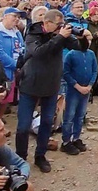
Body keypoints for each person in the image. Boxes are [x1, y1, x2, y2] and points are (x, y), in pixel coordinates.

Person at [16, 9, 79, 173]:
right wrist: (60, 37)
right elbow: (38, 53)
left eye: (62, 24)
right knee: (23, 126)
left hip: (51, 86)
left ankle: (40, 156)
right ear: (47, 23)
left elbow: (78, 46)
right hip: (30, 85)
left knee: (46, 123)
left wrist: (83, 36)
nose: (61, 27)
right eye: (58, 24)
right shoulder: (33, 33)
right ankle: (20, 158)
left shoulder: (59, 34)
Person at [61, 32, 97, 155]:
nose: (89, 42)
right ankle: (66, 141)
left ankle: (76, 138)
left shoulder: (91, 54)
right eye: (87, 39)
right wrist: (76, 86)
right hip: (73, 90)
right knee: (69, 116)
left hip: (86, 90)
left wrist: (90, 85)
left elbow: (94, 70)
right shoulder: (71, 55)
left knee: (80, 115)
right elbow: (66, 73)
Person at [0, 8, 26, 116]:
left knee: (7, 98)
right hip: (0, 70)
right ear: (5, 16)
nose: (17, 19)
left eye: (18, 17)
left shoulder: (16, 32)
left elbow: (22, 47)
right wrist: (16, 65)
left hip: (12, 71)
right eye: (14, 16)